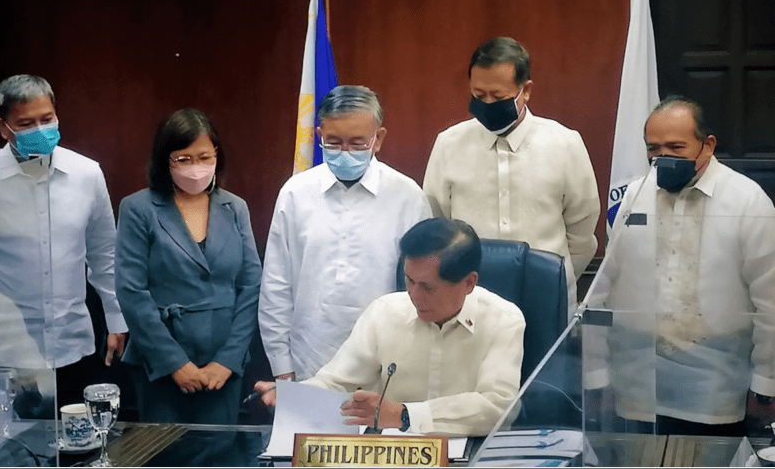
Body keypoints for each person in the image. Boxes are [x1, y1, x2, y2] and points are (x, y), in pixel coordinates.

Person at [583, 96, 775, 436]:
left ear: (707, 145)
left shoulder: (747, 201)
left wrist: (766, 385)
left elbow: (770, 304)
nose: (663, 158)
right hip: (638, 387)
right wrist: (597, 375)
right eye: (653, 149)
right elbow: (604, 291)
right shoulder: (633, 197)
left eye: (676, 147)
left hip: (718, 388)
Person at [0, 74, 127, 410]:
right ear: (4, 128)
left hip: (74, 344)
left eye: (47, 119)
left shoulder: (87, 173)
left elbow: (105, 255)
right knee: (13, 457)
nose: (40, 130)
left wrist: (116, 319)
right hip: (5, 353)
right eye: (26, 123)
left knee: (79, 450)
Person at [255, 218, 525, 437]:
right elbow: (337, 382)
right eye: (409, 281)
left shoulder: (504, 320)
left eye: (428, 287)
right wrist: (296, 396)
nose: (415, 296)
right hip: (392, 457)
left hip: (472, 457)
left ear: (468, 283)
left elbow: (497, 406)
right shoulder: (384, 312)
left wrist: (404, 415)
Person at [259, 85, 431, 382]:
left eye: (357, 143)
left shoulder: (407, 196)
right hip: (308, 359)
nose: (345, 152)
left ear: (378, 139)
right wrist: (281, 365)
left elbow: (422, 285)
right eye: (334, 142)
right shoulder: (296, 193)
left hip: (385, 364)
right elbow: (276, 284)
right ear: (318, 137)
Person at [423, 37, 599, 311]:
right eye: (479, 96)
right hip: (471, 299)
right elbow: (438, 221)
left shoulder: (565, 143)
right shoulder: (449, 144)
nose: (488, 104)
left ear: (525, 90)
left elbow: (582, 230)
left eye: (499, 97)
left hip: (545, 298)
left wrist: (550, 275)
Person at [115, 108, 261, 427]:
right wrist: (174, 363)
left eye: (204, 157)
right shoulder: (138, 208)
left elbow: (251, 288)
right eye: (184, 159)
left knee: (222, 453)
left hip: (224, 364)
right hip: (160, 363)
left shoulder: (235, 208)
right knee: (163, 455)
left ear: (216, 156)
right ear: (165, 159)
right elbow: (131, 291)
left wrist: (227, 361)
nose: (196, 168)